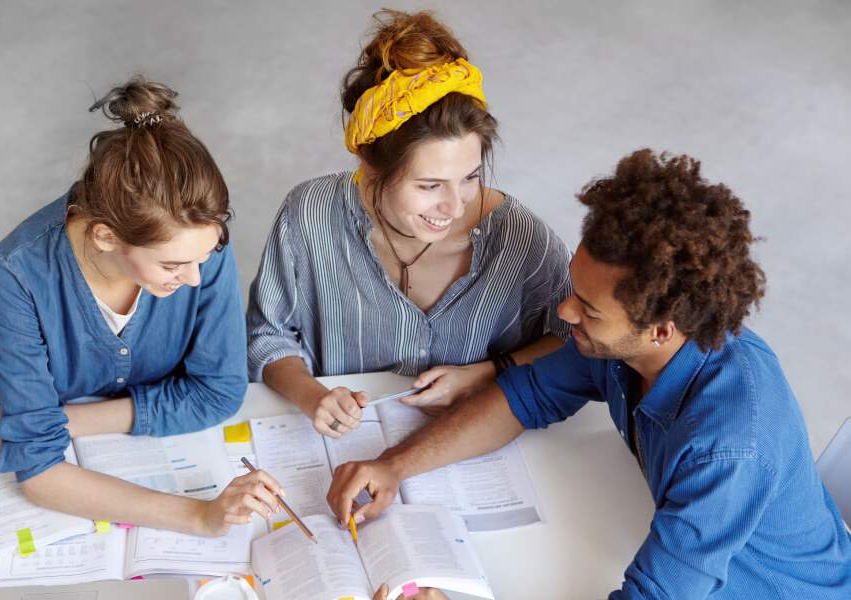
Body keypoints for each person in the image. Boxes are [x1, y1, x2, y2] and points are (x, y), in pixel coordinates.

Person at [327, 149, 851, 598]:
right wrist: (395, 466)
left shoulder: (728, 447)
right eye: (575, 290)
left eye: (589, 309)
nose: (565, 312)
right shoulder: (620, 344)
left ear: (661, 329)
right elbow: (525, 396)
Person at [0, 77, 284, 537]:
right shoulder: (16, 274)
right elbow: (39, 473)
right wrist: (200, 516)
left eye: (204, 257)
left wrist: (60, 421)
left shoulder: (198, 244)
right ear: (105, 237)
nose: (195, 279)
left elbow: (218, 392)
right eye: (172, 265)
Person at [247, 9, 572, 439]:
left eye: (470, 177)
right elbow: (269, 335)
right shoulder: (308, 215)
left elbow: (574, 340)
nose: (454, 207)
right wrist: (313, 396)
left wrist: (489, 373)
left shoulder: (522, 239)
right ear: (370, 165)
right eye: (430, 185)